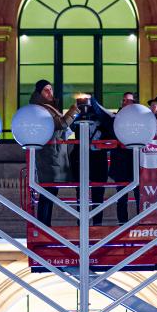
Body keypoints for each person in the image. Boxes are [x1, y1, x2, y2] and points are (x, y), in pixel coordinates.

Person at [30, 80, 79, 226]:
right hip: (49, 155)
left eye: (51, 89)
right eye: (46, 90)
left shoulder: (48, 107)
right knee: (48, 191)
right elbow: (60, 124)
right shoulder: (40, 109)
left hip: (54, 154)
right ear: (39, 93)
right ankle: (44, 225)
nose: (50, 93)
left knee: (51, 191)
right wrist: (74, 110)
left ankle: (45, 224)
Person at [69, 96, 114, 226]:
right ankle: (81, 223)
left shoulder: (103, 120)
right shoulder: (77, 118)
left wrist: (94, 102)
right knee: (81, 194)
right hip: (80, 158)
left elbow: (110, 121)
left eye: (86, 104)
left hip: (98, 160)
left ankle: (97, 224)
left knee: (98, 193)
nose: (85, 107)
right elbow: (68, 127)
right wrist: (75, 111)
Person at [109, 92, 141, 224]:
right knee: (121, 197)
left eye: (127, 101)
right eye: (123, 100)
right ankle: (122, 223)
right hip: (120, 164)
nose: (124, 103)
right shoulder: (116, 118)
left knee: (139, 196)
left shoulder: (140, 119)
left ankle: (141, 222)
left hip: (136, 163)